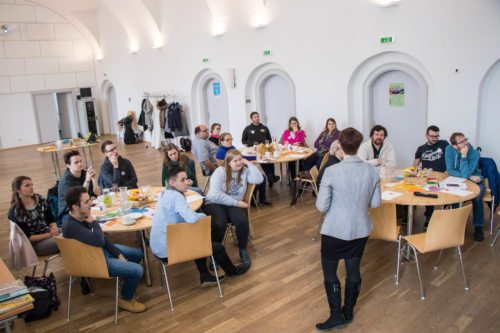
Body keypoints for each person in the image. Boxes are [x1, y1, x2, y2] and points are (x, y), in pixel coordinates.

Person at [315, 127, 381, 330]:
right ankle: (349, 310)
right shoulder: (371, 170)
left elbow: (321, 206)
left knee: (330, 273)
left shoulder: (332, 171)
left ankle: (336, 315)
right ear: (359, 146)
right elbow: (376, 203)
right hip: (360, 229)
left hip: (335, 230)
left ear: (340, 146)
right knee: (353, 270)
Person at [151, 168, 250, 287]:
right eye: (183, 180)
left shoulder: (165, 193)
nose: (187, 182)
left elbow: (183, 217)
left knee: (198, 238)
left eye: (186, 179)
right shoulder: (177, 197)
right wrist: (202, 215)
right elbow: (192, 219)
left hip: (158, 248)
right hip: (169, 252)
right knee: (216, 247)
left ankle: (205, 275)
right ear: (172, 183)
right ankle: (232, 272)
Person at [62, 186, 147, 313]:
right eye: (86, 202)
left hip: (98, 251)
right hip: (94, 261)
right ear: (75, 206)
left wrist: (118, 254)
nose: (91, 203)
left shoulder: (80, 216)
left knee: (138, 254)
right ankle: (126, 299)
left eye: (89, 199)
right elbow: (99, 240)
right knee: (138, 270)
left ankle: (126, 278)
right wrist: (94, 223)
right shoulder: (71, 225)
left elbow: (102, 240)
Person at [204, 149, 264, 266]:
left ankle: (243, 250)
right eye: (235, 161)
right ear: (228, 162)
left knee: (242, 221)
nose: (238, 163)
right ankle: (214, 254)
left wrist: (249, 163)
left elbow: (259, 179)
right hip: (215, 202)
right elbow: (215, 194)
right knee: (219, 223)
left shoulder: (245, 171)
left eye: (240, 159)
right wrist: (236, 203)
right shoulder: (220, 171)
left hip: (234, 204)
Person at [445, 133, 486, 241]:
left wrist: (464, 156)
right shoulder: (449, 149)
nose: (465, 143)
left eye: (465, 140)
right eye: (461, 142)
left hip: (476, 181)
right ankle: (455, 226)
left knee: (477, 197)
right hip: (459, 180)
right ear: (454, 146)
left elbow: (466, 173)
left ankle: (478, 227)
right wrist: (469, 176)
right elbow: (450, 170)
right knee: (454, 196)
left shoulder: (474, 153)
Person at [216, 133, 272, 206]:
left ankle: (260, 199)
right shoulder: (221, 152)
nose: (230, 141)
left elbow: (241, 157)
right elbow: (229, 167)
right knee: (260, 177)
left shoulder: (231, 147)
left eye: (231, 139)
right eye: (227, 140)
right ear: (221, 141)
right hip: (233, 174)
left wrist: (256, 157)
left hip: (239, 169)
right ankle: (253, 200)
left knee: (261, 177)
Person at [8, 176, 60, 256]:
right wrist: (49, 234)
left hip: (48, 232)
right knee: (68, 239)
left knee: (71, 230)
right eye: (27, 185)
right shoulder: (15, 212)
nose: (31, 188)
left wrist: (54, 228)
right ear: (17, 190)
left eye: (32, 185)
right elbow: (28, 238)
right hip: (35, 244)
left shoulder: (39, 199)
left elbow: (50, 218)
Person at [413, 125, 449, 229]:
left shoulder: (444, 144)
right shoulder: (421, 149)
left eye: (436, 136)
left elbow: (452, 156)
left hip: (443, 176)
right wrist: (420, 171)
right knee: (428, 193)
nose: (434, 138)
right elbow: (415, 164)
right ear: (426, 135)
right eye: (432, 136)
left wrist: (448, 171)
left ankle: (446, 217)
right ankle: (429, 217)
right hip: (428, 177)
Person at [58, 150, 100, 219]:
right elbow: (78, 200)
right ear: (68, 165)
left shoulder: (84, 173)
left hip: (85, 206)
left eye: (80, 161)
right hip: (69, 212)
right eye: (76, 162)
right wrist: (87, 180)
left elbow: (97, 193)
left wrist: (94, 179)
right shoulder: (65, 181)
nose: (80, 164)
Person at [241, 112, 279, 187]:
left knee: (270, 161)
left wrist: (268, 146)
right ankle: (271, 177)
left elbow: (269, 139)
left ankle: (271, 177)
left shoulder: (264, 128)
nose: (257, 118)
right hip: (254, 150)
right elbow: (243, 141)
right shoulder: (247, 128)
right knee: (263, 162)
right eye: (255, 117)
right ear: (251, 119)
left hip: (265, 149)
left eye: (258, 116)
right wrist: (251, 145)